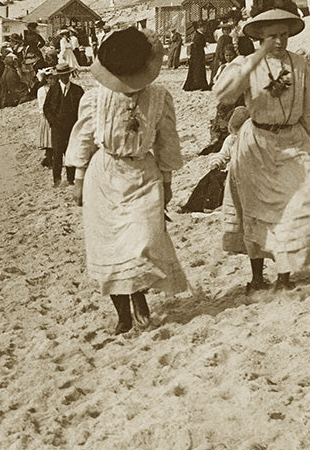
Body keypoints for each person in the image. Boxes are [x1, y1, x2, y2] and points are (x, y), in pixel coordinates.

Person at [65, 27, 187, 334]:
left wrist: (167, 181)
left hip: (143, 175)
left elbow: (167, 141)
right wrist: (79, 179)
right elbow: (84, 140)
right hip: (104, 175)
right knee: (109, 248)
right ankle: (123, 314)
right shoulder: (96, 98)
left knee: (142, 241)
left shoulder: (159, 97)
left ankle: (140, 298)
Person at [213, 8, 310, 293]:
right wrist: (254, 59)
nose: (279, 41)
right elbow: (223, 93)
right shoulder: (246, 65)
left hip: (292, 140)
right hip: (257, 143)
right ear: (260, 36)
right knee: (255, 212)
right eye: (272, 35)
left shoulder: (301, 65)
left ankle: (285, 276)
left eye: (284, 35)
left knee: (298, 205)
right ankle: (257, 276)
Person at [180, 107, 249, 214]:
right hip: (231, 172)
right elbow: (223, 154)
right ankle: (191, 206)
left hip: (244, 175)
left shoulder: (251, 142)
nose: (235, 137)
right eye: (234, 134)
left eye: (237, 134)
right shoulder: (231, 140)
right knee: (209, 178)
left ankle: (211, 206)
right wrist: (216, 163)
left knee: (218, 180)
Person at [42, 62, 84, 186]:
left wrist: (79, 124)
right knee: (57, 154)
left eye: (66, 75)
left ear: (69, 74)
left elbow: (83, 108)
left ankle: (71, 179)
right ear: (58, 76)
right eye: (61, 75)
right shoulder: (53, 90)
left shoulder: (77, 90)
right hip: (57, 127)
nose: (64, 78)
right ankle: (57, 180)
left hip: (72, 127)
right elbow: (46, 107)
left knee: (71, 153)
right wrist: (52, 121)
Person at [183, 22, 209, 91]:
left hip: (197, 54)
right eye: (204, 28)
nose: (205, 29)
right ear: (200, 27)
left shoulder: (198, 35)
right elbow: (197, 46)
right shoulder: (199, 36)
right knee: (198, 69)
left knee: (197, 69)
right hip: (197, 55)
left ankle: (197, 84)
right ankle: (197, 85)